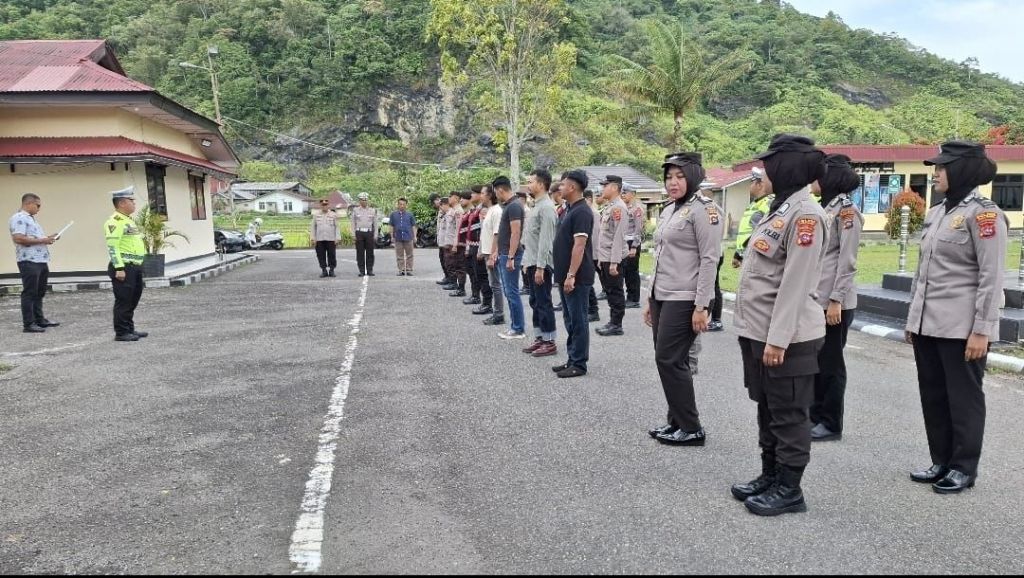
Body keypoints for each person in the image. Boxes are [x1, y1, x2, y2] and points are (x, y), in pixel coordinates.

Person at [730, 134, 828, 517]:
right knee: (768, 408)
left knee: (788, 413)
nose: (763, 172)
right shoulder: (779, 209)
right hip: (760, 331)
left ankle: (790, 489)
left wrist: (778, 339)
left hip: (787, 337)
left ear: (785, 168)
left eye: (768, 165)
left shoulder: (806, 216)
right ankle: (770, 475)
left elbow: (796, 284)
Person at [905, 141, 1006, 495]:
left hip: (962, 328)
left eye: (942, 168)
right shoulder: (936, 213)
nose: (935, 174)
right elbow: (922, 272)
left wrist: (982, 330)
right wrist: (912, 320)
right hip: (928, 323)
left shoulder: (985, 215)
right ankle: (941, 460)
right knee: (933, 395)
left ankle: (963, 467)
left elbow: (991, 277)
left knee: (963, 399)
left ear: (961, 170)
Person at [644, 153, 723, 446]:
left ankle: (691, 428)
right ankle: (676, 421)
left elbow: (710, 259)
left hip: (686, 297)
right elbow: (660, 256)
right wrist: (650, 297)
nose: (673, 182)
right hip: (663, 294)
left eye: (679, 176)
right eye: (668, 177)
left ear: (693, 176)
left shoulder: (706, 210)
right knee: (667, 360)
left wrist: (702, 305)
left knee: (670, 359)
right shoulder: (670, 209)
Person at [810, 154, 865, 442]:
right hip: (816, 298)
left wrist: (836, 300)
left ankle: (830, 423)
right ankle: (813, 416)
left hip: (834, 302)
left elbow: (847, 261)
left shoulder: (847, 212)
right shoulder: (824, 208)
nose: (813, 180)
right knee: (814, 360)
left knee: (831, 363)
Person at [552, 170, 595, 378]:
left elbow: (579, 246)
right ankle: (572, 358)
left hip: (576, 276)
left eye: (563, 184)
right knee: (570, 319)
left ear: (572, 187)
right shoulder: (569, 209)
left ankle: (579, 363)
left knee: (578, 320)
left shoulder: (582, 212)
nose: (559, 188)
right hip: (565, 274)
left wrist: (571, 275)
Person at [521, 169, 559, 358]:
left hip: (541, 264)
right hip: (532, 261)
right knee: (535, 301)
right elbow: (531, 239)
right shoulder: (536, 205)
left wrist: (541, 267)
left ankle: (549, 341)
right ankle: (540, 337)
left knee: (544, 302)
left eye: (531, 181)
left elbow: (546, 241)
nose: (528, 185)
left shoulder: (547, 208)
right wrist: (527, 262)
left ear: (541, 184)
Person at [9, 193, 59, 333]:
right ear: (28, 203)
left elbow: (34, 238)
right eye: (38, 205)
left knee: (39, 292)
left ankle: (39, 319)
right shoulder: (19, 218)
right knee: (30, 292)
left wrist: (48, 238)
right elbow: (19, 238)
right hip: (29, 260)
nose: (39, 208)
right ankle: (29, 324)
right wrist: (43, 240)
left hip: (40, 260)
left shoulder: (30, 219)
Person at [105, 187, 148, 342]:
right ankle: (121, 332)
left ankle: (129, 328)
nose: (134, 203)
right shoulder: (115, 222)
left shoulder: (128, 220)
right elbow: (113, 246)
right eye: (131, 200)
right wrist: (119, 268)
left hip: (134, 266)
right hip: (124, 267)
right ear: (122, 203)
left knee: (132, 299)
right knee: (123, 300)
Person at [595, 175, 629, 336]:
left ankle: (617, 324)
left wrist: (614, 262)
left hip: (613, 258)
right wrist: (601, 259)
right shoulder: (610, 206)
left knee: (615, 291)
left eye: (605, 186)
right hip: (606, 257)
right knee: (609, 290)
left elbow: (618, 237)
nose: (603, 189)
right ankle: (612, 321)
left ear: (614, 187)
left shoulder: (619, 208)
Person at [494, 176, 526, 339]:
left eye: (496, 192)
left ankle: (518, 328)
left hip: (510, 253)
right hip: (506, 253)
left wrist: (511, 257)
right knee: (509, 291)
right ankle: (515, 326)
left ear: (500, 190)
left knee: (512, 292)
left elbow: (516, 232)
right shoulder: (511, 205)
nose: (496, 195)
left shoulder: (513, 206)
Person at [732, 167, 773, 269]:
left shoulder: (768, 203)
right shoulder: (754, 204)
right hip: (747, 255)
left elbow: (765, 233)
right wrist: (738, 254)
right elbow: (747, 232)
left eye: (752, 182)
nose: (749, 186)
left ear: (760, 185)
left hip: (757, 257)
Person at [480, 185, 505, 325]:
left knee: (496, 284)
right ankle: (497, 312)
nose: (481, 196)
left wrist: (492, 255)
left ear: (490, 195)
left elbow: (497, 234)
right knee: (493, 283)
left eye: (482, 193)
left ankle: (499, 314)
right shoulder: (490, 210)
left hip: (491, 253)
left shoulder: (496, 211)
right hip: (486, 252)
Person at [622, 184, 645, 309]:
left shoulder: (637, 209)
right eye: (622, 192)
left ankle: (634, 299)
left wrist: (634, 246)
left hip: (632, 243)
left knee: (632, 272)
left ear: (633, 194)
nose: (623, 195)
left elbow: (638, 229)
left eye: (625, 192)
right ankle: (629, 296)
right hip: (625, 242)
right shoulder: (624, 208)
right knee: (626, 271)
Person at [462, 188, 484, 305]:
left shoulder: (482, 210)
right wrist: (467, 246)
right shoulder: (475, 209)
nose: (472, 195)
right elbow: (469, 230)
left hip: (478, 246)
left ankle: (479, 298)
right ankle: (475, 295)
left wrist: (480, 249)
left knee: (478, 273)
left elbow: (482, 230)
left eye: (474, 193)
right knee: (471, 271)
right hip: (471, 245)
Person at [583, 189, 602, 323]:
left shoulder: (593, 213)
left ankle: (593, 311)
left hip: (592, 253)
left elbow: (594, 237)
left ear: (589, 199)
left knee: (588, 283)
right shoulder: (586, 212)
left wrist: (591, 254)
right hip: (589, 252)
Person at [446, 191, 468, 296]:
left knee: (459, 266)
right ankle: (457, 286)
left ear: (456, 198)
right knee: (454, 265)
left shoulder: (459, 211)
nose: (449, 199)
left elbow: (458, 229)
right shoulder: (453, 210)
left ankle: (461, 289)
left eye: (450, 197)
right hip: (451, 242)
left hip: (457, 243)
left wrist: (455, 244)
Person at [310, 199, 340, 278]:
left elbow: (337, 227)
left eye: (326, 205)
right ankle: (324, 270)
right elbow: (313, 227)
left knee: (332, 255)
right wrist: (313, 238)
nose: (324, 206)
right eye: (323, 205)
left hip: (331, 239)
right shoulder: (316, 215)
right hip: (319, 239)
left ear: (328, 205)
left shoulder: (333, 215)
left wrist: (337, 238)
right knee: (320, 255)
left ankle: (331, 270)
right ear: (320, 206)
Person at [351, 193, 378, 277]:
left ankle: (369, 270)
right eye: (362, 200)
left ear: (367, 200)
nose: (364, 201)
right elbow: (353, 223)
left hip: (369, 233)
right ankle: (362, 271)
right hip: (359, 233)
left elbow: (375, 224)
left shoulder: (372, 210)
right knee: (360, 253)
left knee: (370, 252)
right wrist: (353, 235)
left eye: (365, 199)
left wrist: (375, 235)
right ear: (359, 201)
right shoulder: (355, 210)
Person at [389, 197, 417, 276]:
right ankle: (401, 270)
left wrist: (415, 236)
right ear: (398, 205)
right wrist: (392, 236)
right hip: (398, 237)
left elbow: (413, 226)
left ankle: (409, 270)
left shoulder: (410, 214)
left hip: (408, 237)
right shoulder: (393, 215)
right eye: (400, 204)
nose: (402, 206)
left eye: (403, 204)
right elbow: (391, 226)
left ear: (406, 205)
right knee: (399, 255)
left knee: (410, 255)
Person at [433, 195, 453, 286]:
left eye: (441, 204)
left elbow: (450, 229)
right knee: (443, 260)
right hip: (441, 241)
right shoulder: (441, 212)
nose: (440, 206)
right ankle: (447, 277)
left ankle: (451, 280)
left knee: (449, 262)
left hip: (447, 242)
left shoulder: (450, 213)